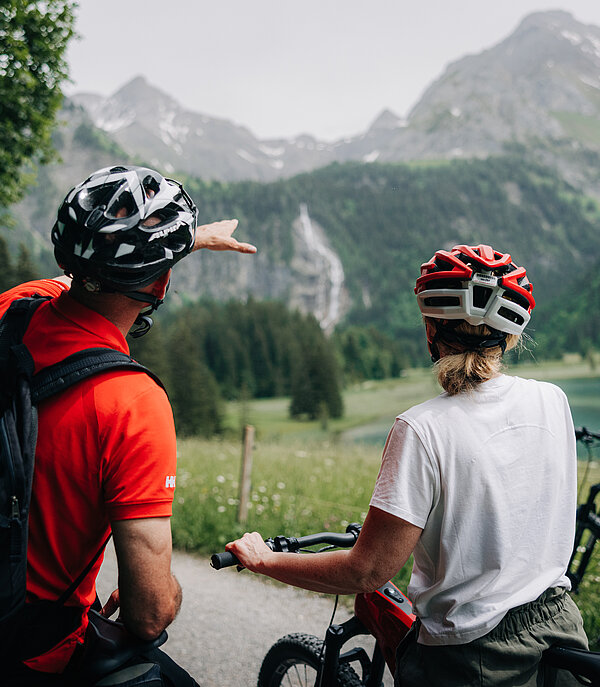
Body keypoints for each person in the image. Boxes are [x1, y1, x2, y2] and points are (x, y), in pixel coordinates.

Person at [227, 243, 589, 686]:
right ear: (511, 334)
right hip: (560, 628)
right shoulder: (552, 400)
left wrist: (265, 561)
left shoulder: (421, 428)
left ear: (430, 329)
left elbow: (368, 571)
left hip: (472, 652)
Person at [3, 165, 256, 686]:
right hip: (32, 650)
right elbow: (148, 614)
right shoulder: (133, 403)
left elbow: (82, 278)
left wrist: (182, 245)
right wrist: (167, 588)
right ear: (161, 282)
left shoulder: (15, 307)